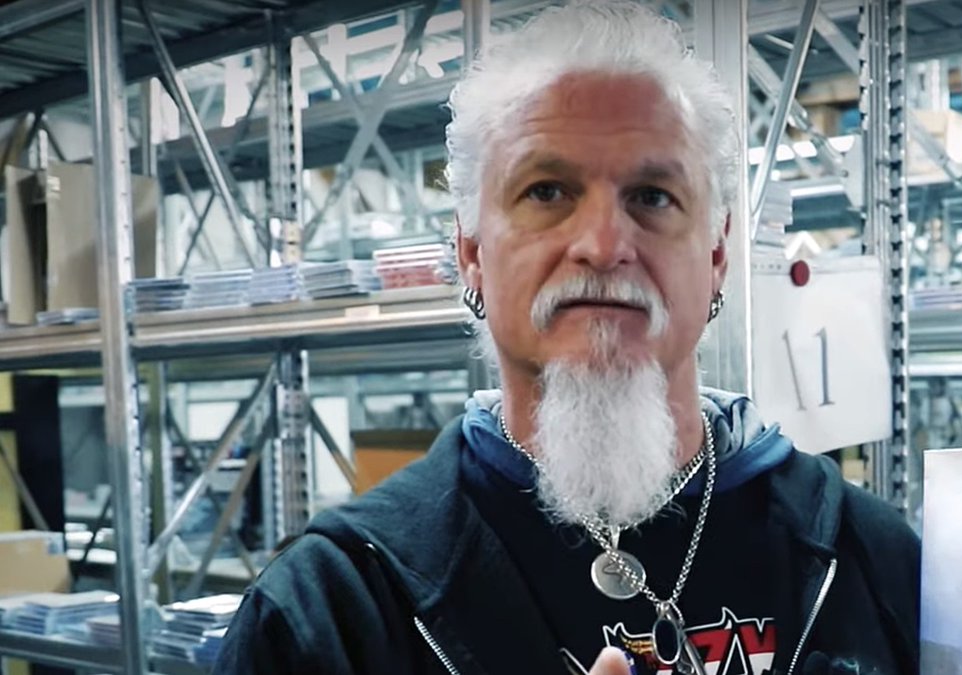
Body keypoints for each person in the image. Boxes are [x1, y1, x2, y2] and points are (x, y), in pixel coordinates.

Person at [214, 2, 919, 673]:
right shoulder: (335, 610)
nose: (604, 245)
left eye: (653, 197)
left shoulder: (869, 560)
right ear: (471, 252)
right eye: (546, 191)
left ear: (715, 255)